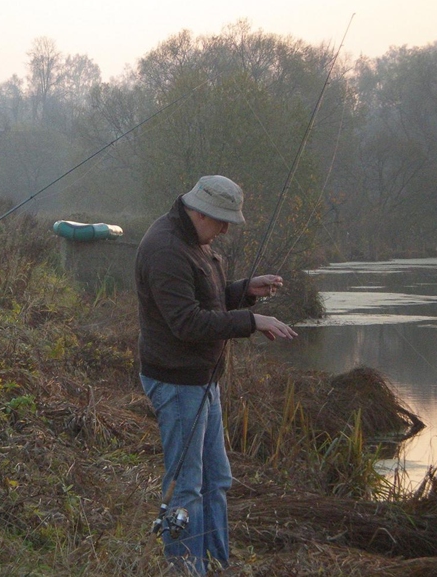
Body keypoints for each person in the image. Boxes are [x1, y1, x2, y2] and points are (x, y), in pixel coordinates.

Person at [136, 174, 297, 574]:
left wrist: (244, 289)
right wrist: (252, 320)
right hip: (177, 384)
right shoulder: (167, 249)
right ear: (201, 212)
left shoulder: (194, 243)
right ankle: (186, 568)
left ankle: (215, 564)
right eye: (223, 220)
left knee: (217, 481)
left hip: (202, 380)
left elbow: (205, 299)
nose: (226, 229)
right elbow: (187, 323)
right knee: (186, 488)